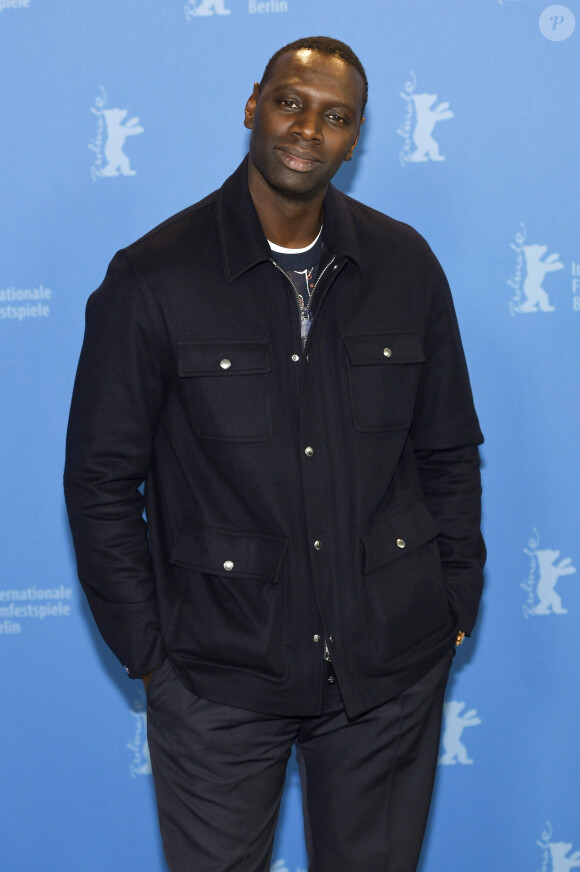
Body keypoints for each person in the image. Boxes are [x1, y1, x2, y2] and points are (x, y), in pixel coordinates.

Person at [64, 36, 485, 872]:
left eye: (337, 117)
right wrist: (149, 652)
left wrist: (454, 601)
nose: (308, 129)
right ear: (253, 104)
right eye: (292, 102)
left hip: (389, 673)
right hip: (218, 678)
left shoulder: (406, 266)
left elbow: (447, 450)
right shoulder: (154, 276)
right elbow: (101, 479)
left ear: (355, 140)